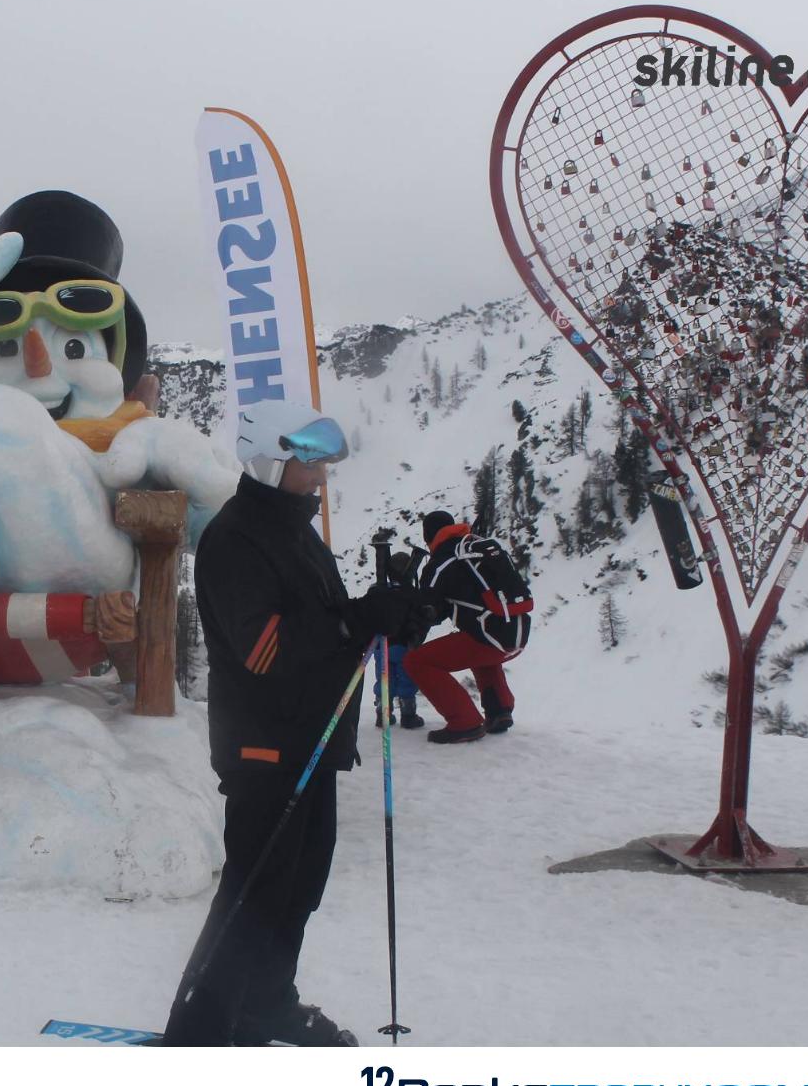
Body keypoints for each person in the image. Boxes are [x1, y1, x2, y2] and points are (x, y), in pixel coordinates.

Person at [162, 398, 432, 1047]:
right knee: (253, 895)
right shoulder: (236, 537)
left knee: (297, 889)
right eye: (307, 459)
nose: (320, 473)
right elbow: (264, 650)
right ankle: (196, 1042)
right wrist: (354, 621)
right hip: (265, 749)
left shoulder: (293, 530)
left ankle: (264, 1006)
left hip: (310, 742)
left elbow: (327, 626)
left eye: (321, 460)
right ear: (268, 459)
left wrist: (390, 615)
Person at [404, 510, 532, 744]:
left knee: (416, 661)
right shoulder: (474, 549)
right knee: (476, 641)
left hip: (490, 636)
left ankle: (464, 722)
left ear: (428, 536)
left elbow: (428, 608)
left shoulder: (442, 559)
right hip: (517, 631)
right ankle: (499, 711)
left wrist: (407, 623)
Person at [374, 551, 425, 730]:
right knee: (406, 680)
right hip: (405, 646)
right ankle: (408, 715)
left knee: (383, 679)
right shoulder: (412, 593)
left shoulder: (379, 590)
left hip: (381, 646)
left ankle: (383, 714)